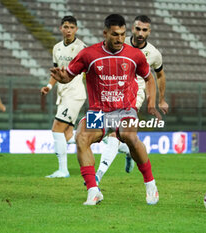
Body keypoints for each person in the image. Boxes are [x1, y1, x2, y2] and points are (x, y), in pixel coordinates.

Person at [50, 14, 162, 205]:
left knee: (129, 136)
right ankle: (94, 191)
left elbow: (149, 78)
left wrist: (151, 102)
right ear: (105, 33)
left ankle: (150, 184)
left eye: (122, 34)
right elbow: (69, 75)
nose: (119, 39)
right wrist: (62, 78)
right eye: (115, 34)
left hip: (125, 109)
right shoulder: (89, 54)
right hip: (98, 112)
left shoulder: (134, 55)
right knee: (81, 137)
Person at [96, 15, 169, 183]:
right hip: (110, 93)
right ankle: (127, 150)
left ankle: (98, 175)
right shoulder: (119, 43)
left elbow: (159, 75)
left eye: (144, 30)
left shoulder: (154, 54)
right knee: (102, 133)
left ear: (149, 31)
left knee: (114, 133)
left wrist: (160, 100)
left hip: (134, 96)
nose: (140, 33)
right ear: (132, 29)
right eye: (138, 29)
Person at [40, 16, 86, 178]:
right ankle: (107, 141)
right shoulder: (57, 48)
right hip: (63, 94)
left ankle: (63, 170)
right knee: (67, 135)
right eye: (66, 27)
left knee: (56, 129)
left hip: (75, 94)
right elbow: (56, 72)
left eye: (72, 27)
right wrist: (49, 86)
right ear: (61, 28)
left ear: (76, 30)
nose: (68, 30)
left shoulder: (82, 48)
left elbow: (89, 71)